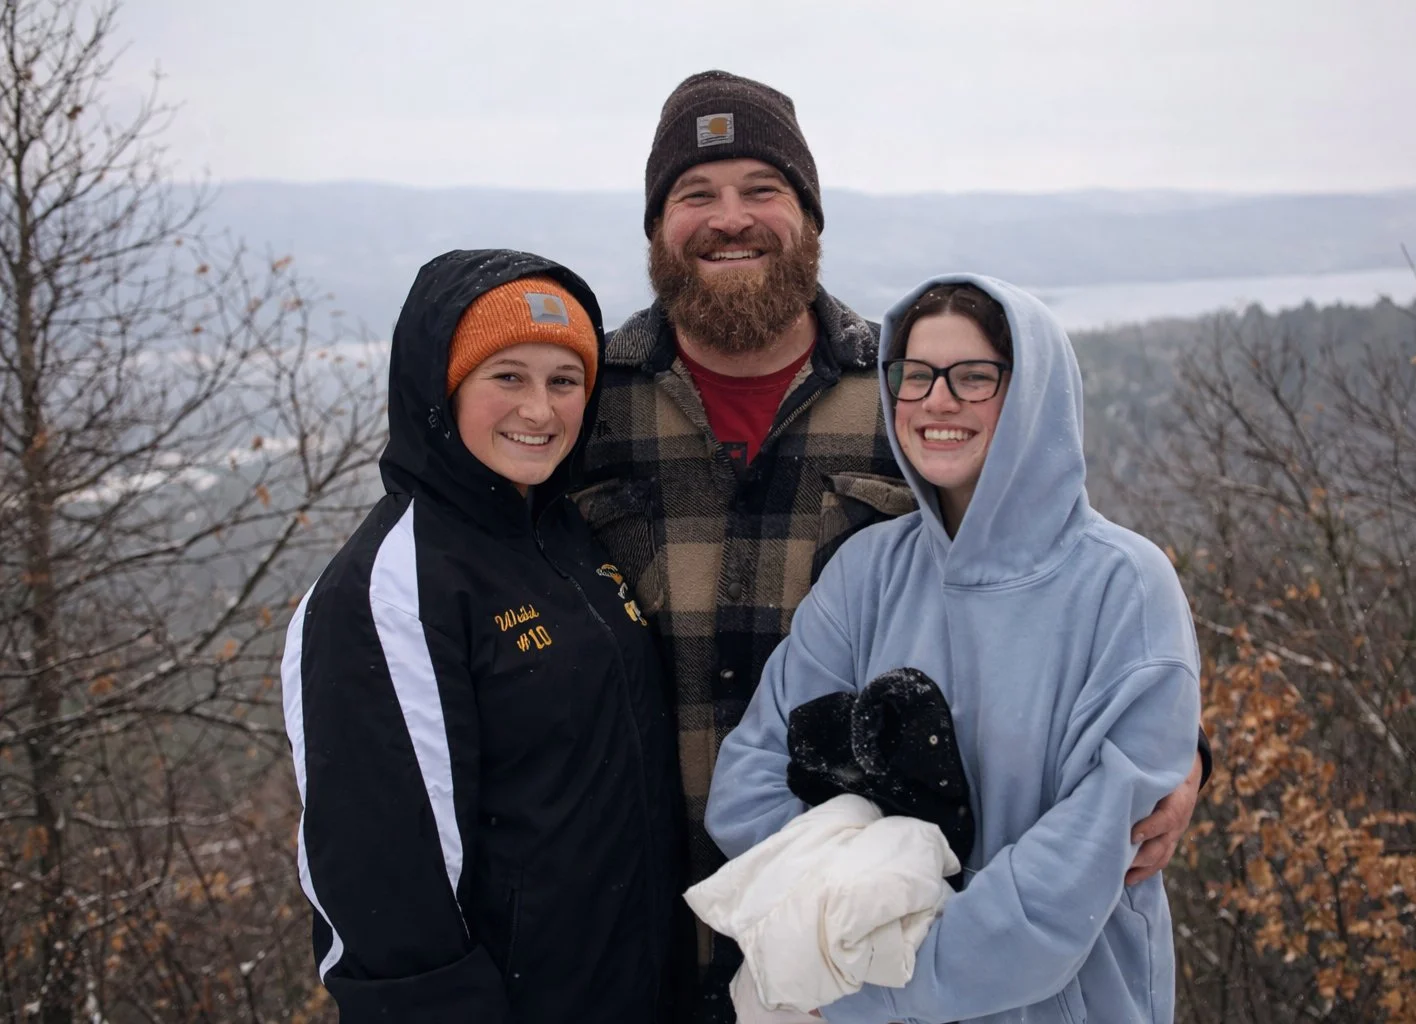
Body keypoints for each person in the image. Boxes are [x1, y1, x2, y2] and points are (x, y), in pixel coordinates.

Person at [575, 70, 1209, 1020]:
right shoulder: (578, 408)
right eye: (695, 195)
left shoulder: (903, 389)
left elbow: (1060, 583)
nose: (729, 218)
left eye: (762, 190)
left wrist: (1173, 758)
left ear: (811, 217)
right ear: (657, 227)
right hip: (643, 920)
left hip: (866, 945)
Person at [707, 276, 1202, 1023]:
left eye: (975, 377)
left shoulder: (1123, 586)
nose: (939, 401)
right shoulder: (869, 572)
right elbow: (749, 788)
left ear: (1033, 395)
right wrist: (844, 931)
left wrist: (865, 985)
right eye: (916, 376)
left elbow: (1069, 876)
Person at [280, 250, 681, 1023]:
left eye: (564, 381)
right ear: (442, 388)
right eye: (507, 376)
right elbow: (382, 877)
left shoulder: (562, 536)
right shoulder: (391, 589)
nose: (539, 409)